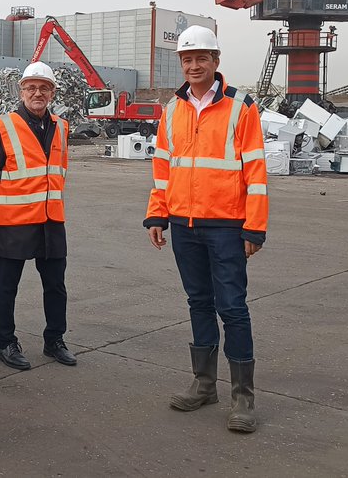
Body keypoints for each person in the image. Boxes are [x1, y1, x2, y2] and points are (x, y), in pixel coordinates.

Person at [143, 25, 268, 434]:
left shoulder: (240, 107)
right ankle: (204, 384)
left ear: (216, 61)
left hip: (226, 225)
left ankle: (243, 396)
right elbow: (163, 168)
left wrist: (254, 226)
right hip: (184, 224)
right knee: (198, 302)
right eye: (187, 59)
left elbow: (256, 171)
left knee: (232, 307)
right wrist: (157, 214)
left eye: (201, 58)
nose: (194, 65)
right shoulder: (172, 110)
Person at [0, 62, 76, 371]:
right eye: (31, 87)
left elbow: (59, 170)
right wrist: (6, 207)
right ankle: (6, 342)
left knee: (56, 285)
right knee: (8, 285)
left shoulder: (61, 126)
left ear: (52, 93)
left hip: (51, 220)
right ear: (21, 91)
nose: (37, 93)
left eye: (44, 88)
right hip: (16, 222)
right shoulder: (3, 124)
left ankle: (54, 340)